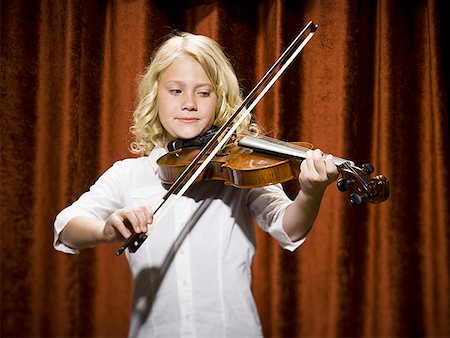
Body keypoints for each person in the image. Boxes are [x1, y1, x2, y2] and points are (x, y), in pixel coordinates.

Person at [54, 31, 339, 338]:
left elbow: (289, 228)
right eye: (176, 91)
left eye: (204, 93)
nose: (189, 104)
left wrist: (311, 191)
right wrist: (106, 230)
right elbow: (66, 225)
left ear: (220, 101)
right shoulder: (129, 174)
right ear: (155, 95)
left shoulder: (238, 167)